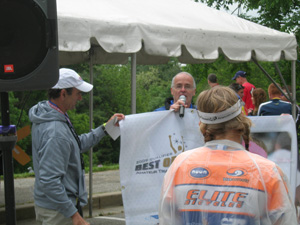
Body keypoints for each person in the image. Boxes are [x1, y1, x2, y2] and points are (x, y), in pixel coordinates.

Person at [159, 86, 297, 225]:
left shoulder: (180, 165)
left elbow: (167, 219)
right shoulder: (268, 171)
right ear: (241, 120)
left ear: (202, 125)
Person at [29, 68, 125, 225]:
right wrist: (73, 215)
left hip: (54, 205)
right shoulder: (55, 131)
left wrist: (104, 129)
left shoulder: (49, 114)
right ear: (63, 94)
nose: (80, 98)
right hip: (58, 210)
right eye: (77, 93)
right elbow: (50, 181)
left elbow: (76, 145)